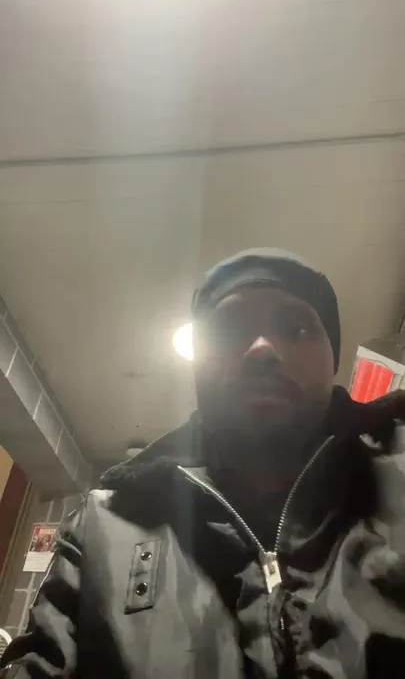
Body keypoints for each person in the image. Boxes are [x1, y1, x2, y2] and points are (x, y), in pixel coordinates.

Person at [3, 248, 405, 679]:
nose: (262, 349)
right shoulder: (104, 523)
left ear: (333, 360)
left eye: (297, 328)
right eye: (229, 329)